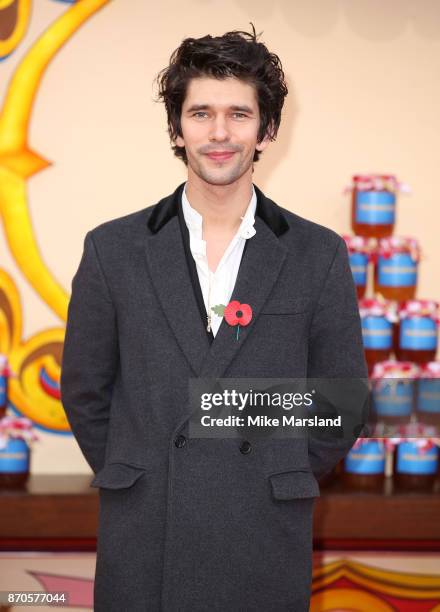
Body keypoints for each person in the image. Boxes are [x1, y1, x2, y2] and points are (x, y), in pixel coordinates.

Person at [60, 25, 368, 611]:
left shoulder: (317, 253)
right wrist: (144, 466)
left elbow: (340, 402)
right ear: (176, 127)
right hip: (147, 531)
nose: (220, 133)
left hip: (264, 532)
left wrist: (269, 468)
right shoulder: (113, 249)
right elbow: (84, 391)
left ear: (267, 128)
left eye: (239, 114)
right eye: (200, 113)